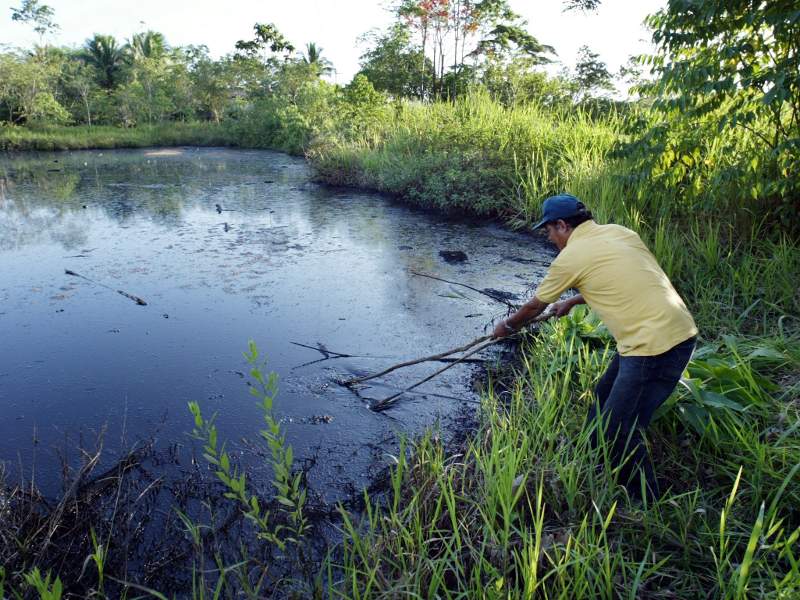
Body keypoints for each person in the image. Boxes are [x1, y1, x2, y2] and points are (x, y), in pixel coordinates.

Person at [493, 193, 697, 499]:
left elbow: (534, 307)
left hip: (654, 347)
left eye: (549, 231)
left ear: (562, 225)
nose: (550, 238)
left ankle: (645, 501)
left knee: (618, 429)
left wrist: (507, 327)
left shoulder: (570, 257)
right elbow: (624, 277)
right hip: (671, 332)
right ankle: (594, 465)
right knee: (602, 402)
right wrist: (573, 301)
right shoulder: (620, 232)